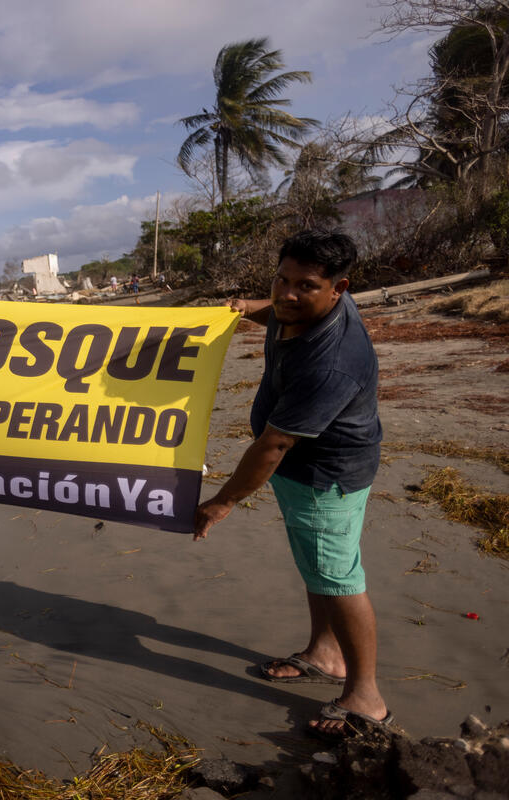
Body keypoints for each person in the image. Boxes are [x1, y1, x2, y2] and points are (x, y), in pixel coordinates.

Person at [193, 229, 390, 739]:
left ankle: (366, 696)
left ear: (338, 288)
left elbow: (273, 446)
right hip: (303, 470)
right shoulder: (295, 308)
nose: (286, 294)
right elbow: (275, 307)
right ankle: (325, 653)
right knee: (319, 566)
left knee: (339, 577)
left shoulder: (331, 362)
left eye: (304, 285)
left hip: (325, 476)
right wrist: (243, 307)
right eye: (281, 280)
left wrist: (222, 502)